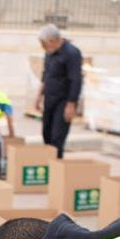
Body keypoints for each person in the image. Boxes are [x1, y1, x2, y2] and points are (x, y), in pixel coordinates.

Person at [35, 24, 82, 159]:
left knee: (57, 138)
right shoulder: (49, 53)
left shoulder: (72, 53)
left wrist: (71, 104)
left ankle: (56, 169)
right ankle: (48, 165)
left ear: (51, 41)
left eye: (43, 43)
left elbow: (76, 79)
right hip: (50, 99)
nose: (42, 47)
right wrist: (39, 96)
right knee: (46, 134)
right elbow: (46, 75)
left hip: (63, 101)